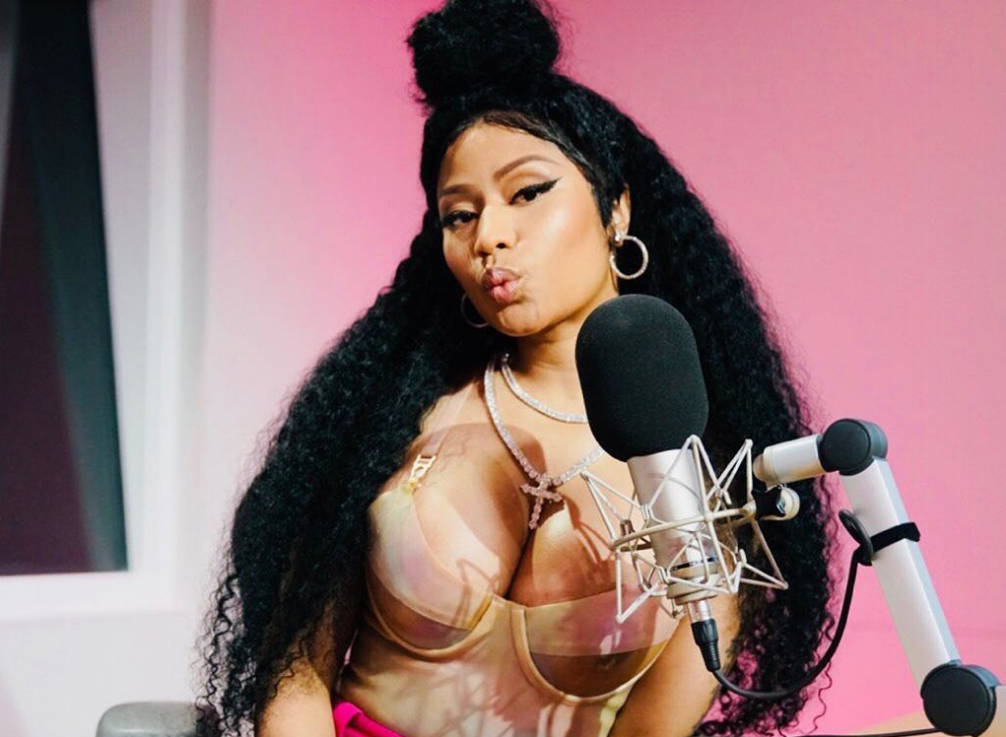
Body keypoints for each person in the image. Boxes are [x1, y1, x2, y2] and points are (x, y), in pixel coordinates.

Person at [195, 1, 838, 736]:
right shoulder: (390, 421)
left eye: (528, 193)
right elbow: (296, 675)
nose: (490, 237)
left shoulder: (701, 485)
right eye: (458, 215)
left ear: (616, 210)